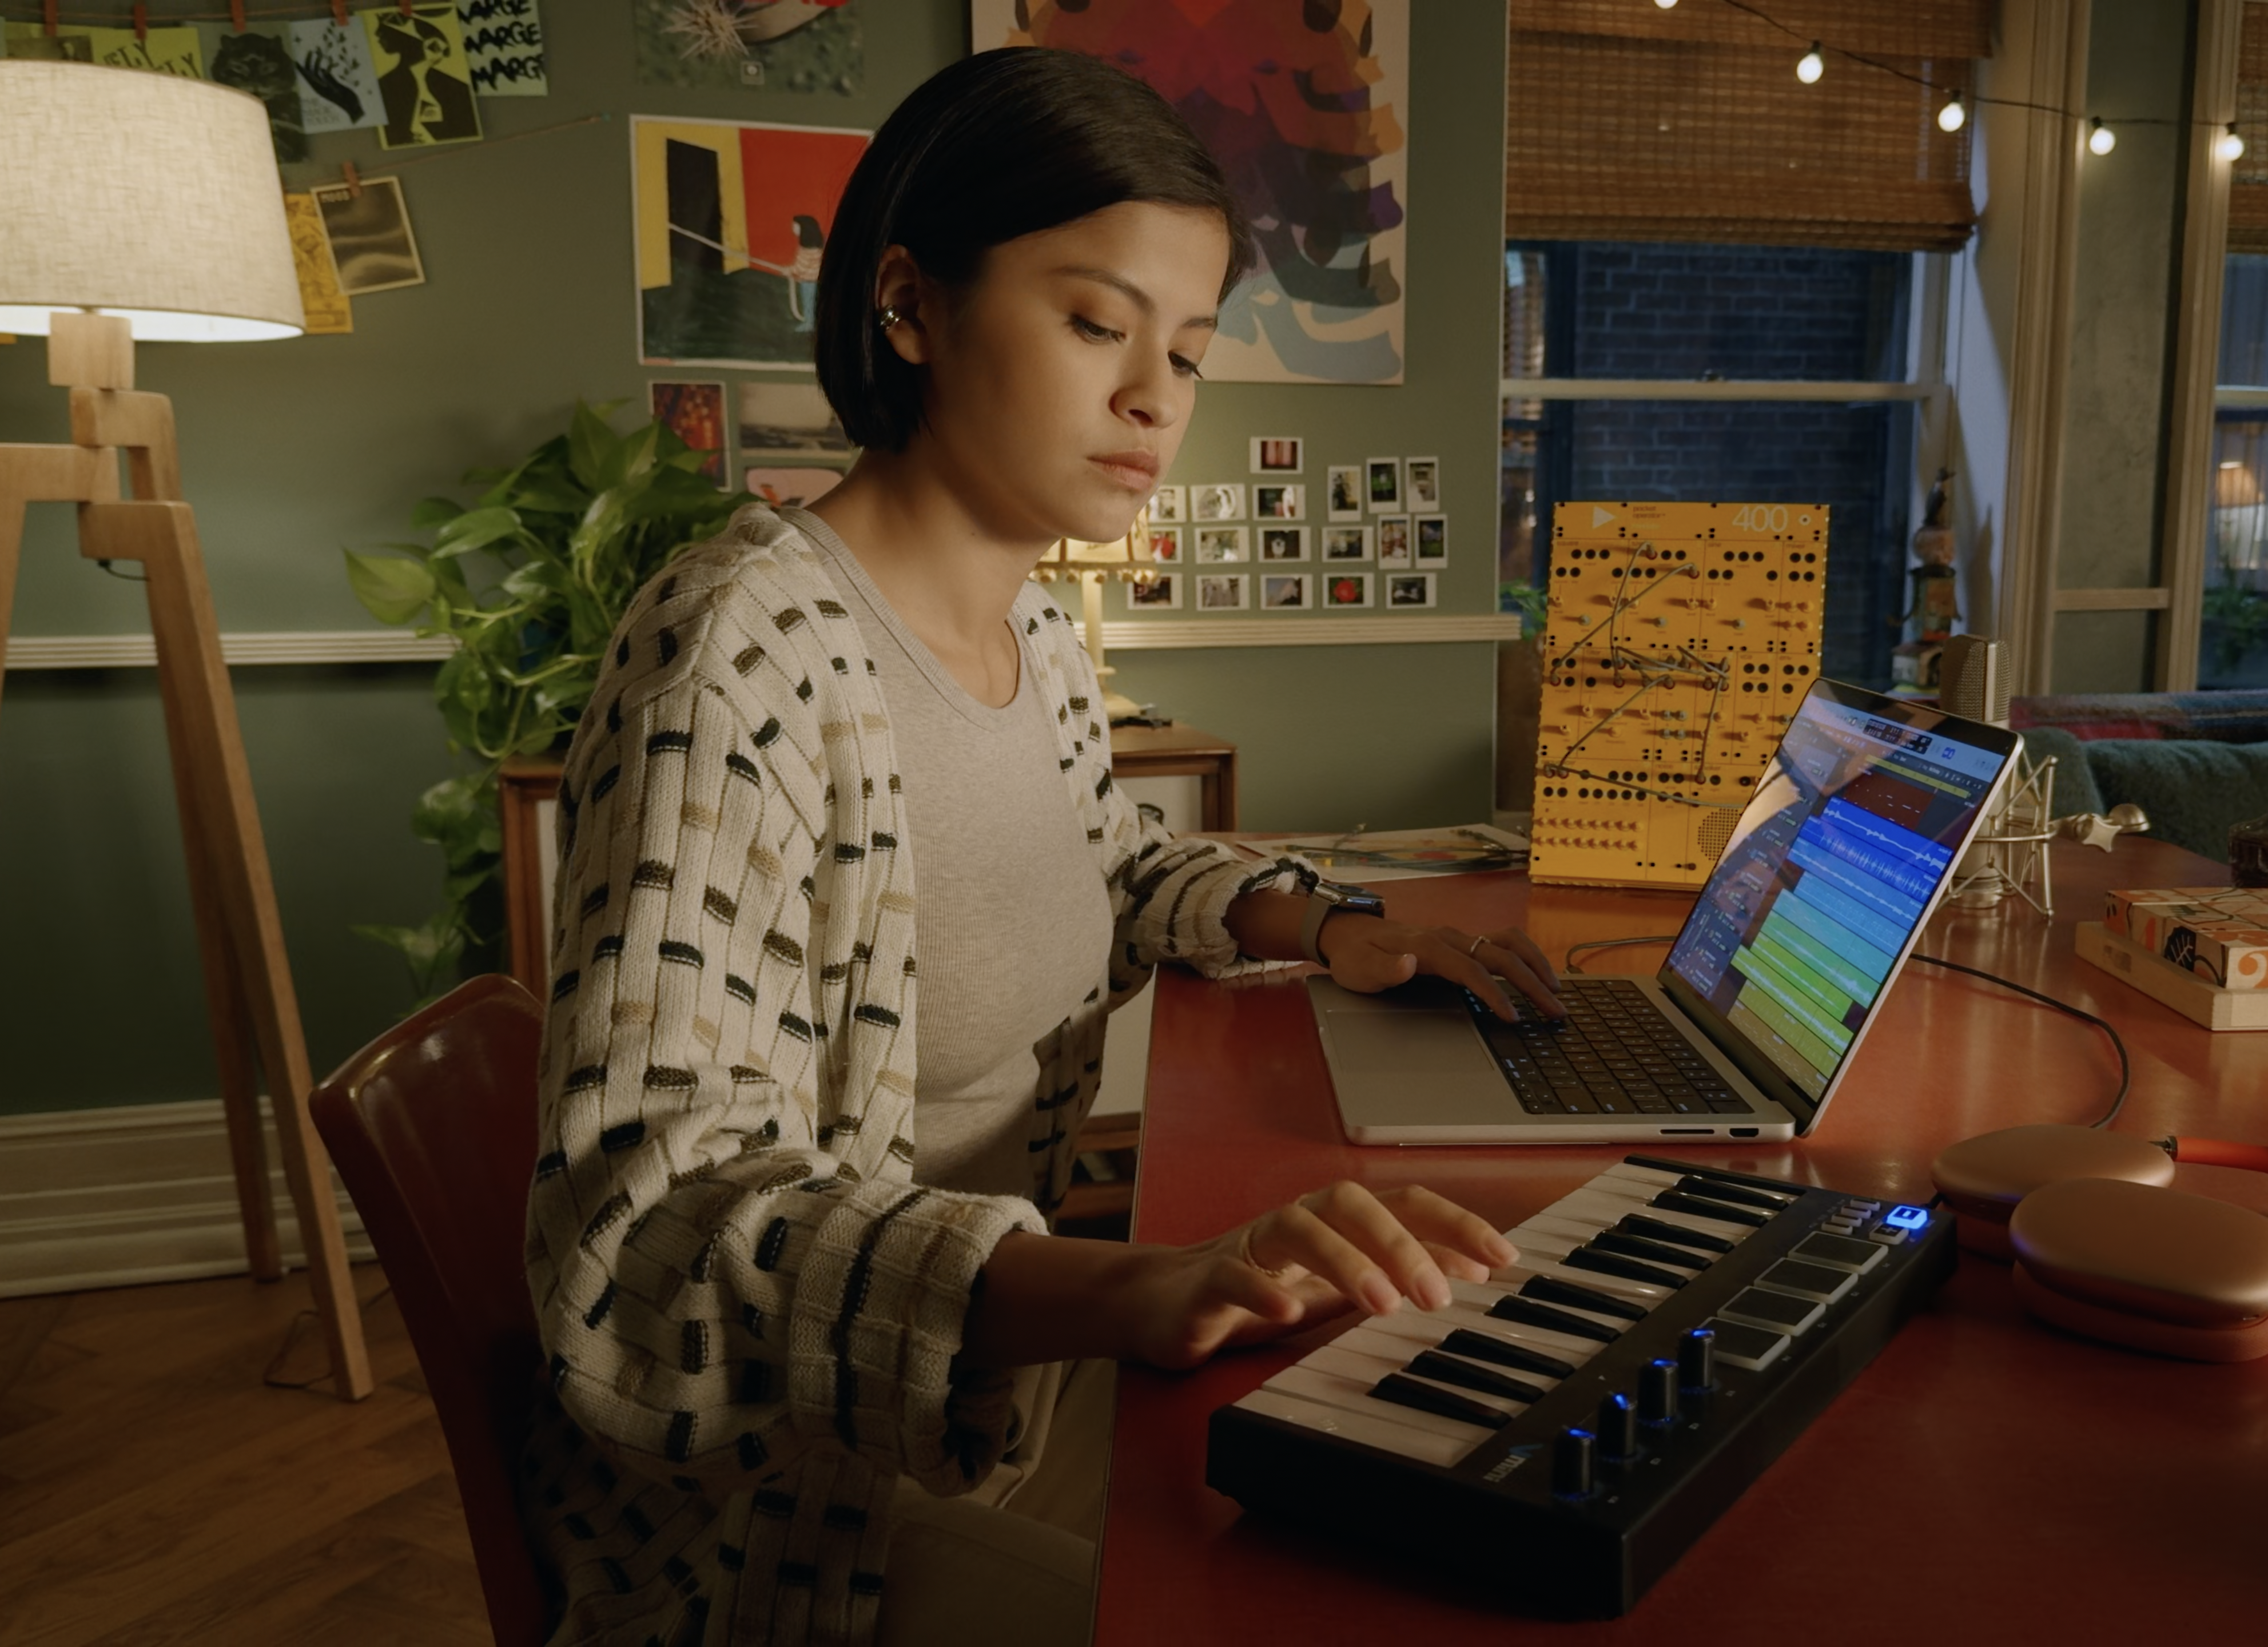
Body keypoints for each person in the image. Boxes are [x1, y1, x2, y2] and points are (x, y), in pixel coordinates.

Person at [523, 47, 1562, 1647]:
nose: (1155, 395)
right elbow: (659, 1229)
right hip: (801, 1510)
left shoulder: (1037, 629)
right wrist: (1133, 1288)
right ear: (910, 303)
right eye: (1095, 322)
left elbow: (1107, 876)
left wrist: (1333, 925)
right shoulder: (747, 653)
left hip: (1001, 1399)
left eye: (1190, 352)